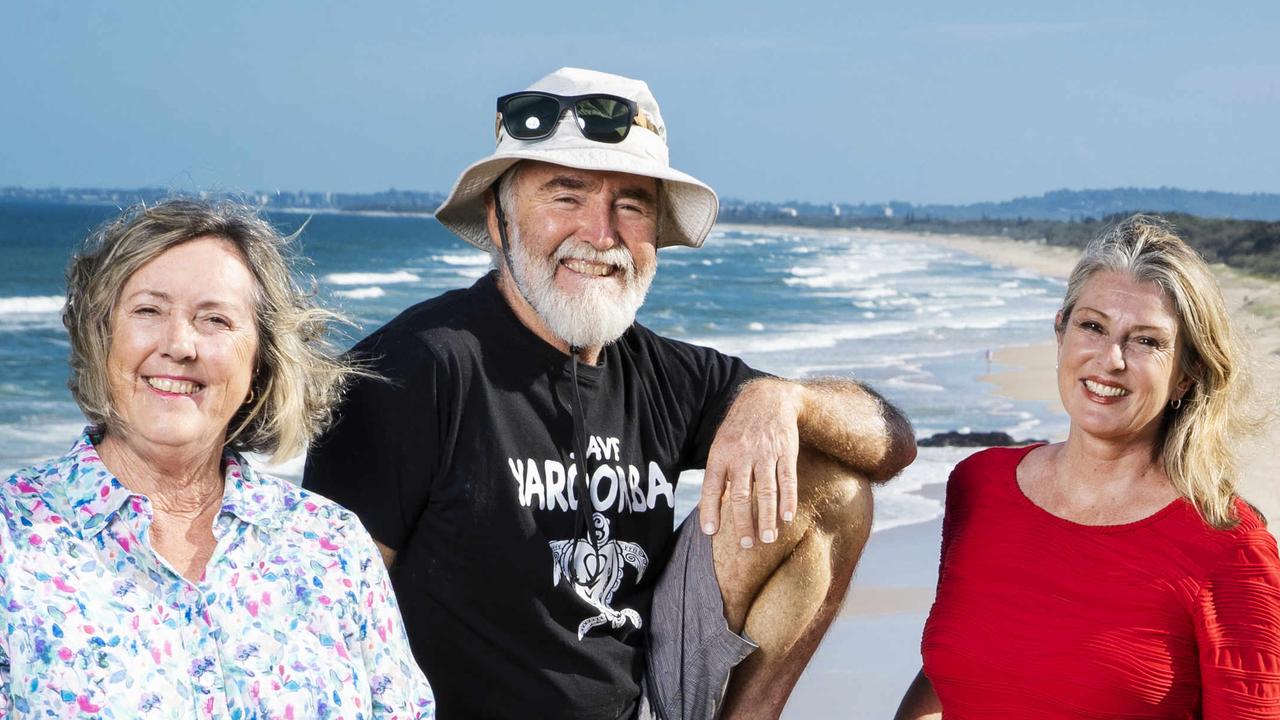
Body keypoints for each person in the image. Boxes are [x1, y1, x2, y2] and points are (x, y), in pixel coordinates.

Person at [303, 67, 917, 720]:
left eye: (631, 204)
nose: (601, 233)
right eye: (565, 197)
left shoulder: (658, 372)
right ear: (498, 215)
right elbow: (328, 616)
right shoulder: (415, 367)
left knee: (831, 483)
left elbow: (893, 443)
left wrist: (784, 399)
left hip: (645, 700)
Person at [0, 200, 434, 717]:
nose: (179, 344)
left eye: (214, 320)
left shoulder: (332, 546)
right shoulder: (13, 541)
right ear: (100, 336)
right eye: (148, 311)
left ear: (260, 364)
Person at [896, 215, 1280, 719]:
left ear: (1187, 375)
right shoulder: (979, 486)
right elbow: (951, 672)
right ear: (1061, 331)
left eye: (1147, 341)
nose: (1110, 358)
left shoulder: (1229, 548)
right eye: (1093, 326)